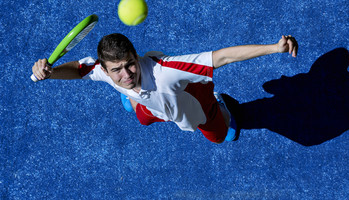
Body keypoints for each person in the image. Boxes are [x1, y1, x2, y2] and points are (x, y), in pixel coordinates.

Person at [32, 34, 298, 143]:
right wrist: (51, 72)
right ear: (105, 67)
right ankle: (136, 102)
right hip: (154, 107)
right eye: (116, 70)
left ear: (137, 56)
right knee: (142, 118)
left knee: (220, 136)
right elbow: (79, 70)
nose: (126, 75)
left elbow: (222, 57)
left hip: (195, 106)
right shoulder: (101, 70)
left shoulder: (166, 70)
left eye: (130, 65)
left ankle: (220, 103)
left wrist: (274, 48)